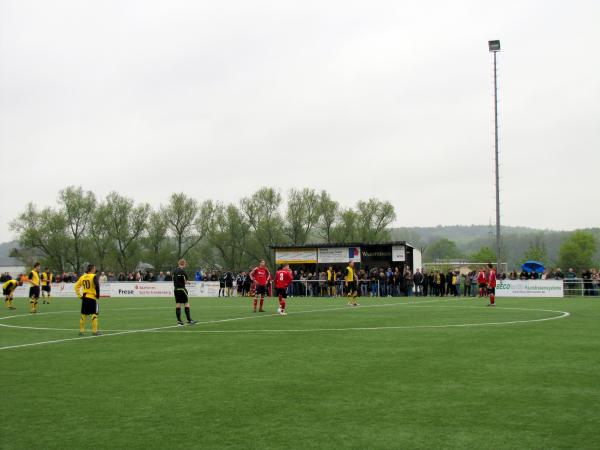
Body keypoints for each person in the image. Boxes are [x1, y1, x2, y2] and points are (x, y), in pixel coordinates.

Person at [74, 264, 102, 336]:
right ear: (92, 269)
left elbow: (76, 287)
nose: (95, 270)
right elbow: (97, 286)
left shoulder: (82, 277)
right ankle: (95, 331)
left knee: (83, 315)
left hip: (85, 298)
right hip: (92, 298)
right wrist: (98, 296)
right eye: (94, 268)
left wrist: (80, 296)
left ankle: (81, 330)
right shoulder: (93, 276)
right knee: (94, 314)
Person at [173, 259, 197, 326]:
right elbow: (186, 281)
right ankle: (189, 320)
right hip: (182, 289)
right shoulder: (183, 271)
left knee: (178, 304)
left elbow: (174, 279)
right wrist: (189, 283)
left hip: (176, 289)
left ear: (179, 264)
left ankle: (179, 321)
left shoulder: (174, 271)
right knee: (186, 303)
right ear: (184, 264)